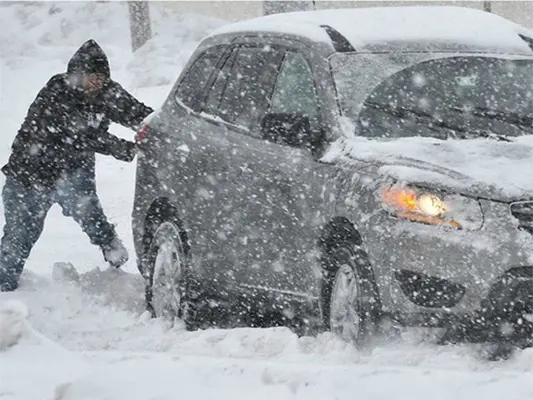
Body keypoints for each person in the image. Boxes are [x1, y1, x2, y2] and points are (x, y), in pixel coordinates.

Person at [0, 39, 154, 292]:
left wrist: (157, 130)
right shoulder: (56, 91)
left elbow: (140, 115)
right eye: (90, 76)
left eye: (101, 77)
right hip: (28, 175)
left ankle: (113, 259)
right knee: (19, 237)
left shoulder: (108, 93)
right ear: (75, 75)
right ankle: (5, 292)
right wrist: (127, 148)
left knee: (92, 218)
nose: (96, 82)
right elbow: (81, 134)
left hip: (73, 172)